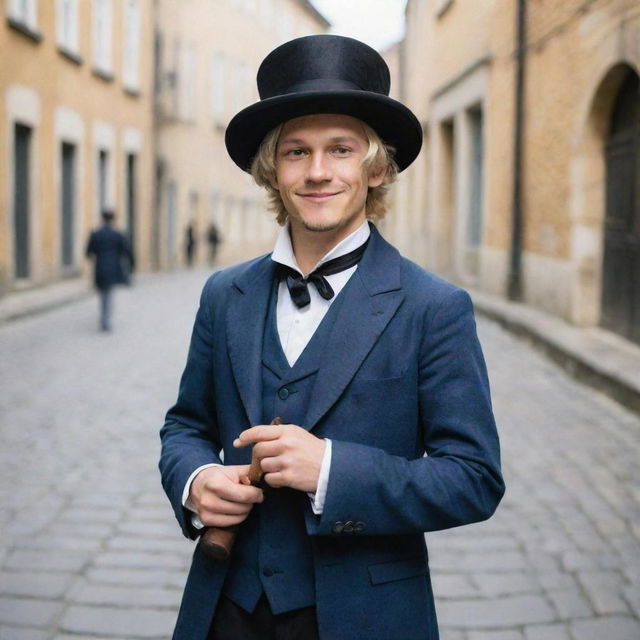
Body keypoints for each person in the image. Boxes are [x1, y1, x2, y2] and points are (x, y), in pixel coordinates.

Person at [159, 35, 504, 640]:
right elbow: (186, 425)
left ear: (375, 168)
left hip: (366, 616)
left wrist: (331, 471)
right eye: (296, 152)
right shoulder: (223, 294)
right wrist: (195, 481)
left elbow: (473, 478)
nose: (318, 172)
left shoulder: (434, 307)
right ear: (273, 169)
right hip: (227, 608)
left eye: (340, 149)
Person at [85, 209, 134, 332]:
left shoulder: (96, 234)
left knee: (103, 295)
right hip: (113, 269)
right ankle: (106, 319)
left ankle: (103, 318)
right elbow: (127, 251)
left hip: (100, 268)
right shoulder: (117, 235)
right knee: (109, 294)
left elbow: (89, 252)